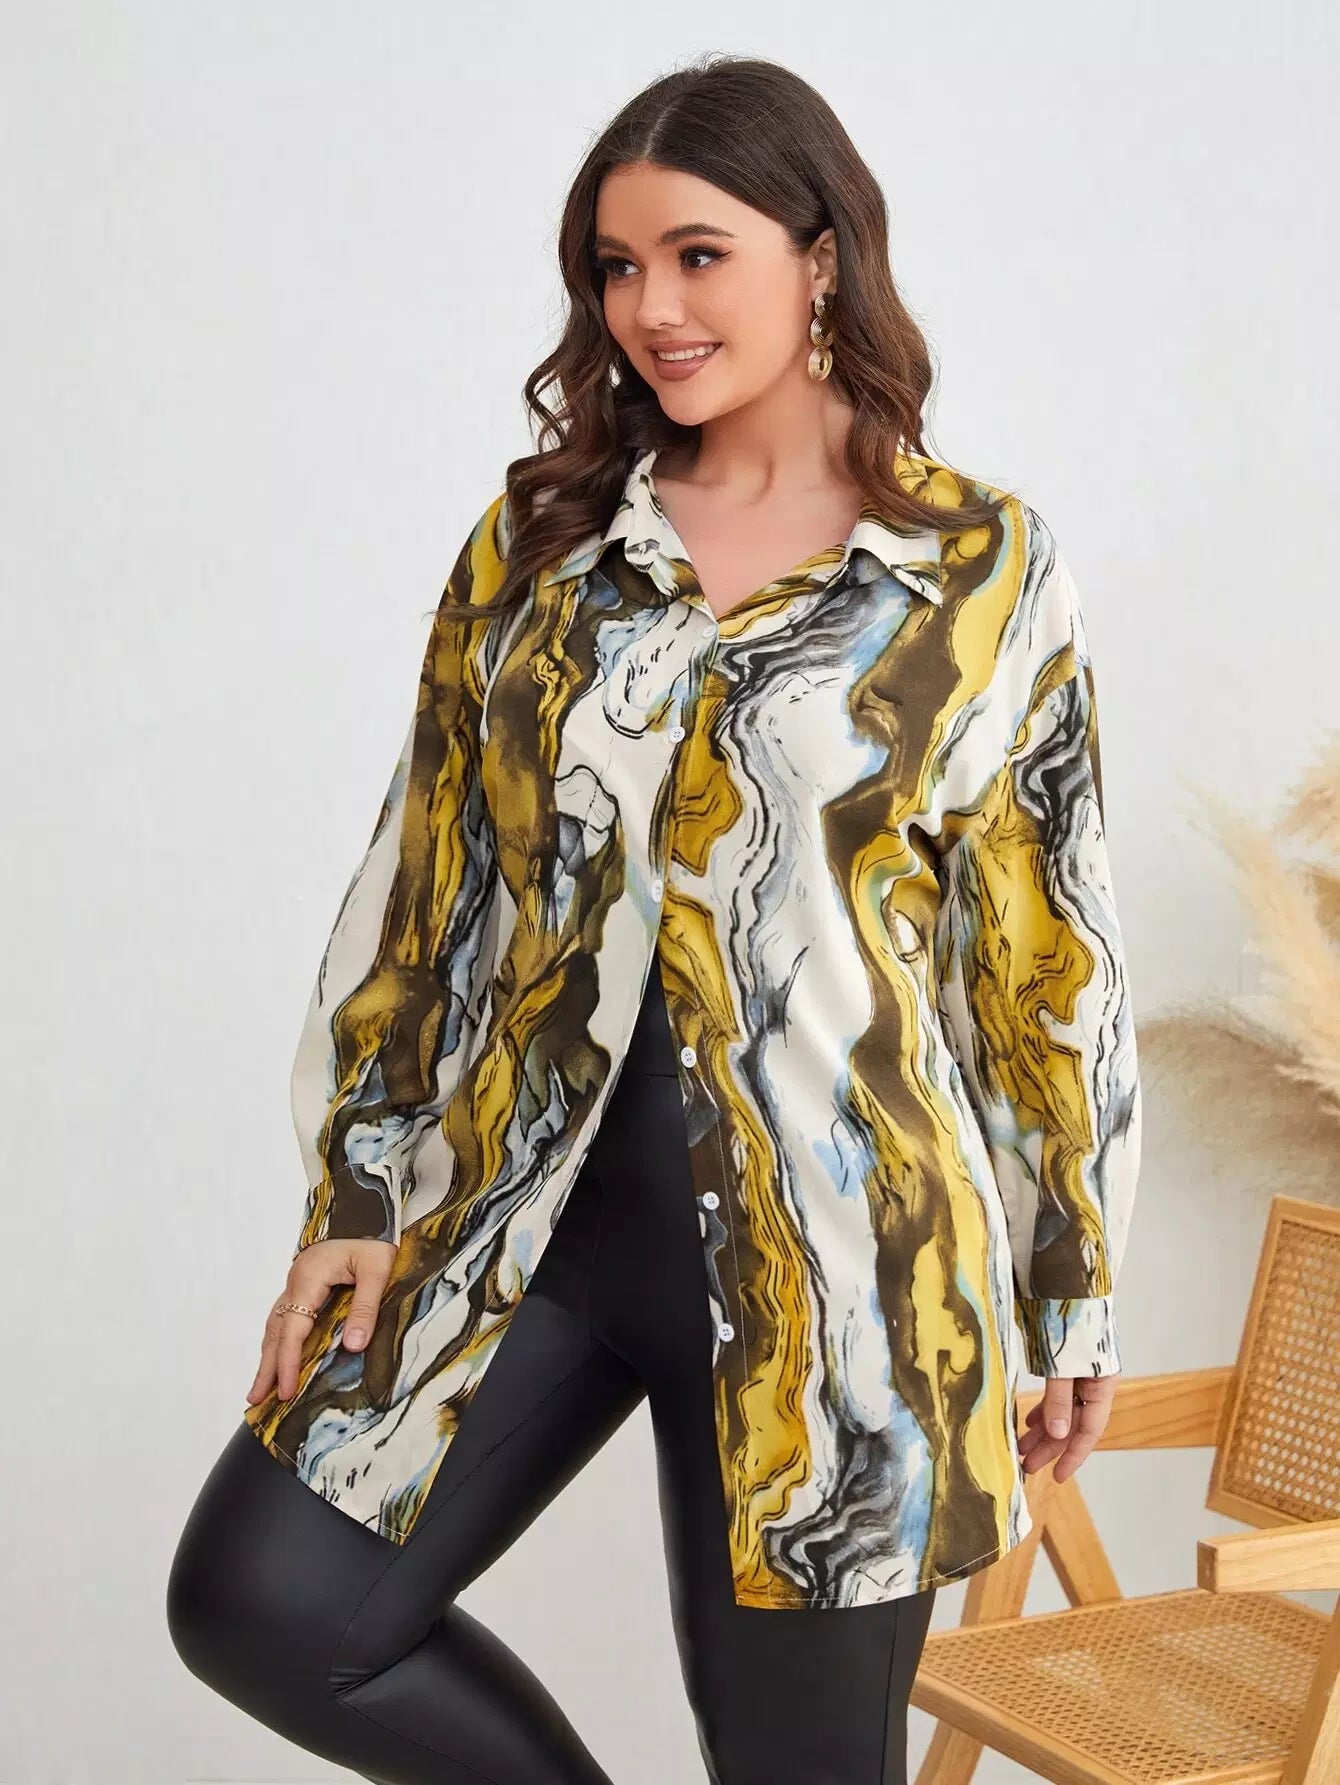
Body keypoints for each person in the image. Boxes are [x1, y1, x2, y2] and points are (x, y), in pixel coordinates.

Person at [166, 51, 1142, 1785]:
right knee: (265, 1601)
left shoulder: (983, 570)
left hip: (849, 1287)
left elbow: (1044, 963)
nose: (653, 309)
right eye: (618, 268)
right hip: (524, 1220)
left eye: (700, 255)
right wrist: (360, 1188)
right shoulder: (542, 545)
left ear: (820, 257)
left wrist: (1070, 1289)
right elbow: (428, 890)